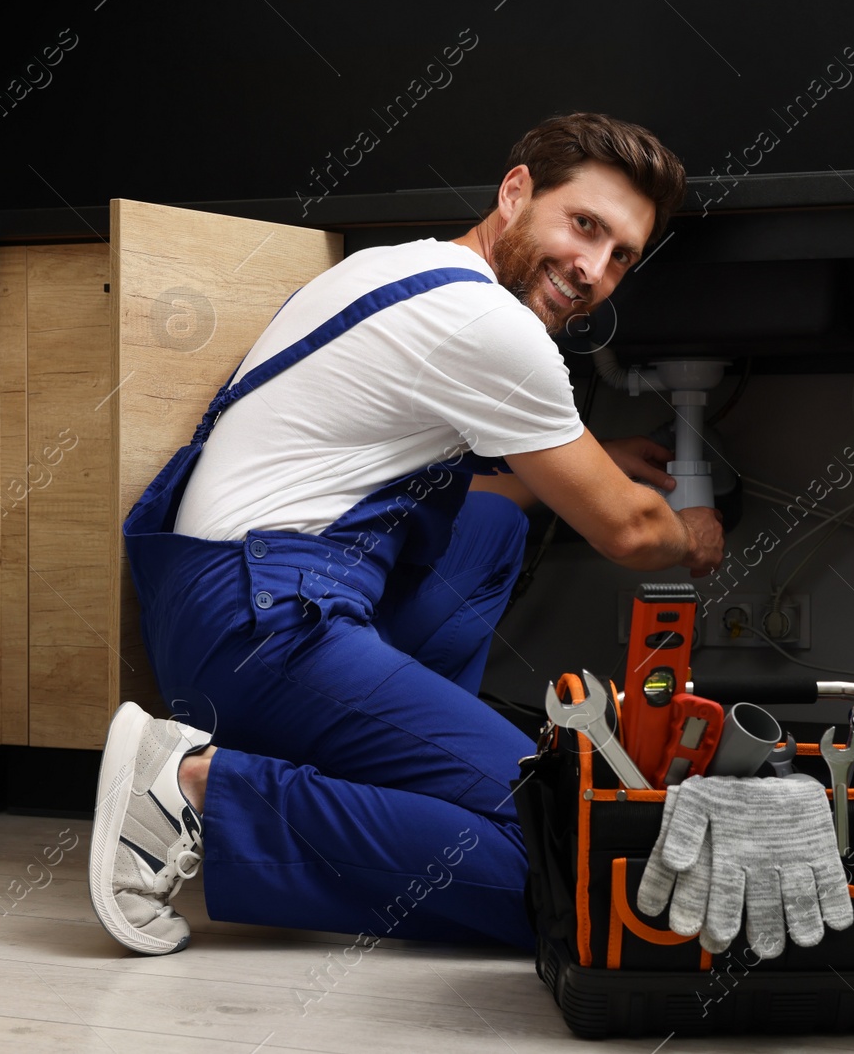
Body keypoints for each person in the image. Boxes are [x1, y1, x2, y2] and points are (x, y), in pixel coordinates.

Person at [90, 112, 726, 956]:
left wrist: (591, 457)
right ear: (515, 192)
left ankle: (384, 781)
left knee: (495, 519)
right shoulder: (495, 331)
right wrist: (690, 534)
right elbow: (630, 531)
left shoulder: (394, 267)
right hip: (267, 624)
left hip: (217, 600)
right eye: (584, 226)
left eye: (621, 258)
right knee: (565, 849)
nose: (593, 271)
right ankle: (198, 789)